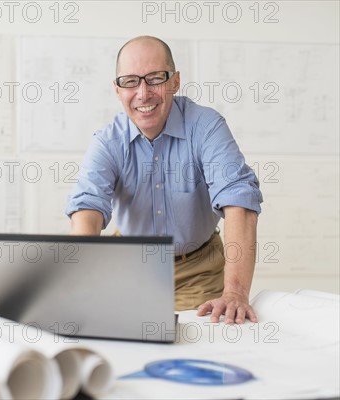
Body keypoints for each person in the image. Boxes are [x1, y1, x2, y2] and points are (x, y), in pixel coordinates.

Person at [66, 36, 263, 324]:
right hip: (128, 266)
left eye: (155, 78)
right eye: (130, 81)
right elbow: (87, 208)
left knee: (201, 346)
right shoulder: (108, 141)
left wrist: (235, 293)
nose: (143, 94)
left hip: (198, 268)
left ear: (175, 81)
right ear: (117, 89)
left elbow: (239, 199)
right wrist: (76, 283)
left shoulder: (207, 127)